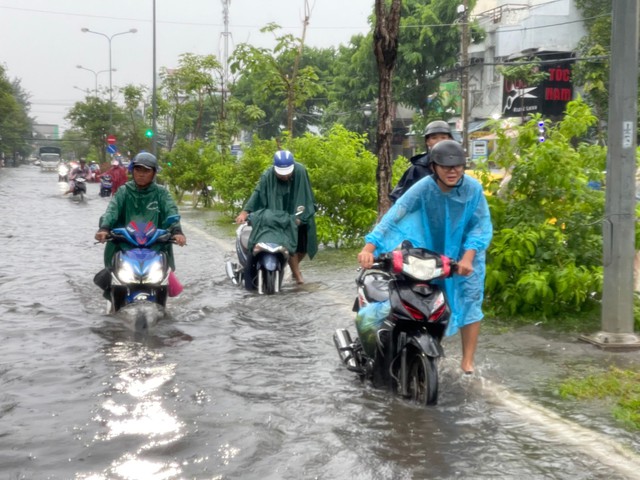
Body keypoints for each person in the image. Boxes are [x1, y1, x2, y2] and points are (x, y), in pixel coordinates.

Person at [358, 140, 492, 374]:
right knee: (426, 296)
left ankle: (467, 361)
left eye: (458, 166)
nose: (453, 171)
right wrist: (369, 248)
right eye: (445, 166)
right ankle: (424, 347)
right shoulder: (423, 188)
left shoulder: (473, 189)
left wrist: (469, 257)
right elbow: (395, 215)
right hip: (432, 249)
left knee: (470, 298)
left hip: (466, 255)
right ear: (433, 167)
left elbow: (480, 226)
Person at [94, 152, 187, 298]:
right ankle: (112, 296)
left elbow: (171, 211)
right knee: (111, 273)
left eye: (146, 171)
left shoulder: (161, 193)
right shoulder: (124, 191)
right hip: (125, 243)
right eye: (138, 170)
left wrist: (177, 231)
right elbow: (112, 210)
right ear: (132, 171)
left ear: (154, 173)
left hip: (154, 244)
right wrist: (104, 228)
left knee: (169, 280)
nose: (141, 174)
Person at [235, 149, 317, 285]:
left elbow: (306, 194)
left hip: (298, 215)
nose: (285, 177)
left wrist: (302, 215)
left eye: (287, 174)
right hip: (278, 216)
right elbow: (258, 192)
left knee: (303, 247)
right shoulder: (268, 175)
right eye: (281, 174)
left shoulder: (301, 171)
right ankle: (298, 277)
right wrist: (245, 211)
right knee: (288, 243)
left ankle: (292, 268)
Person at [389, 120, 453, 203]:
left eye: (443, 137)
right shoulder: (417, 169)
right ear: (427, 142)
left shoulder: (456, 165)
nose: (439, 141)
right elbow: (400, 199)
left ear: (450, 139)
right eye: (434, 138)